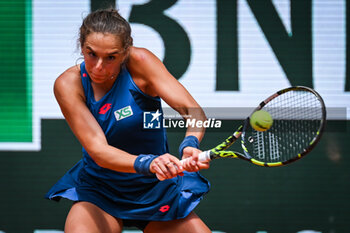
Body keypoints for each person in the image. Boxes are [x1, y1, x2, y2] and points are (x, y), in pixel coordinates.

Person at [45, 8, 212, 233]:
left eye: (111, 57)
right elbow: (99, 151)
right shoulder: (68, 84)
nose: (98, 67)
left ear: (125, 52)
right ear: (81, 46)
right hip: (100, 191)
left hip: (156, 189)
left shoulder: (141, 62)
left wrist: (190, 144)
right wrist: (150, 163)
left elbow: (194, 113)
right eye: (91, 53)